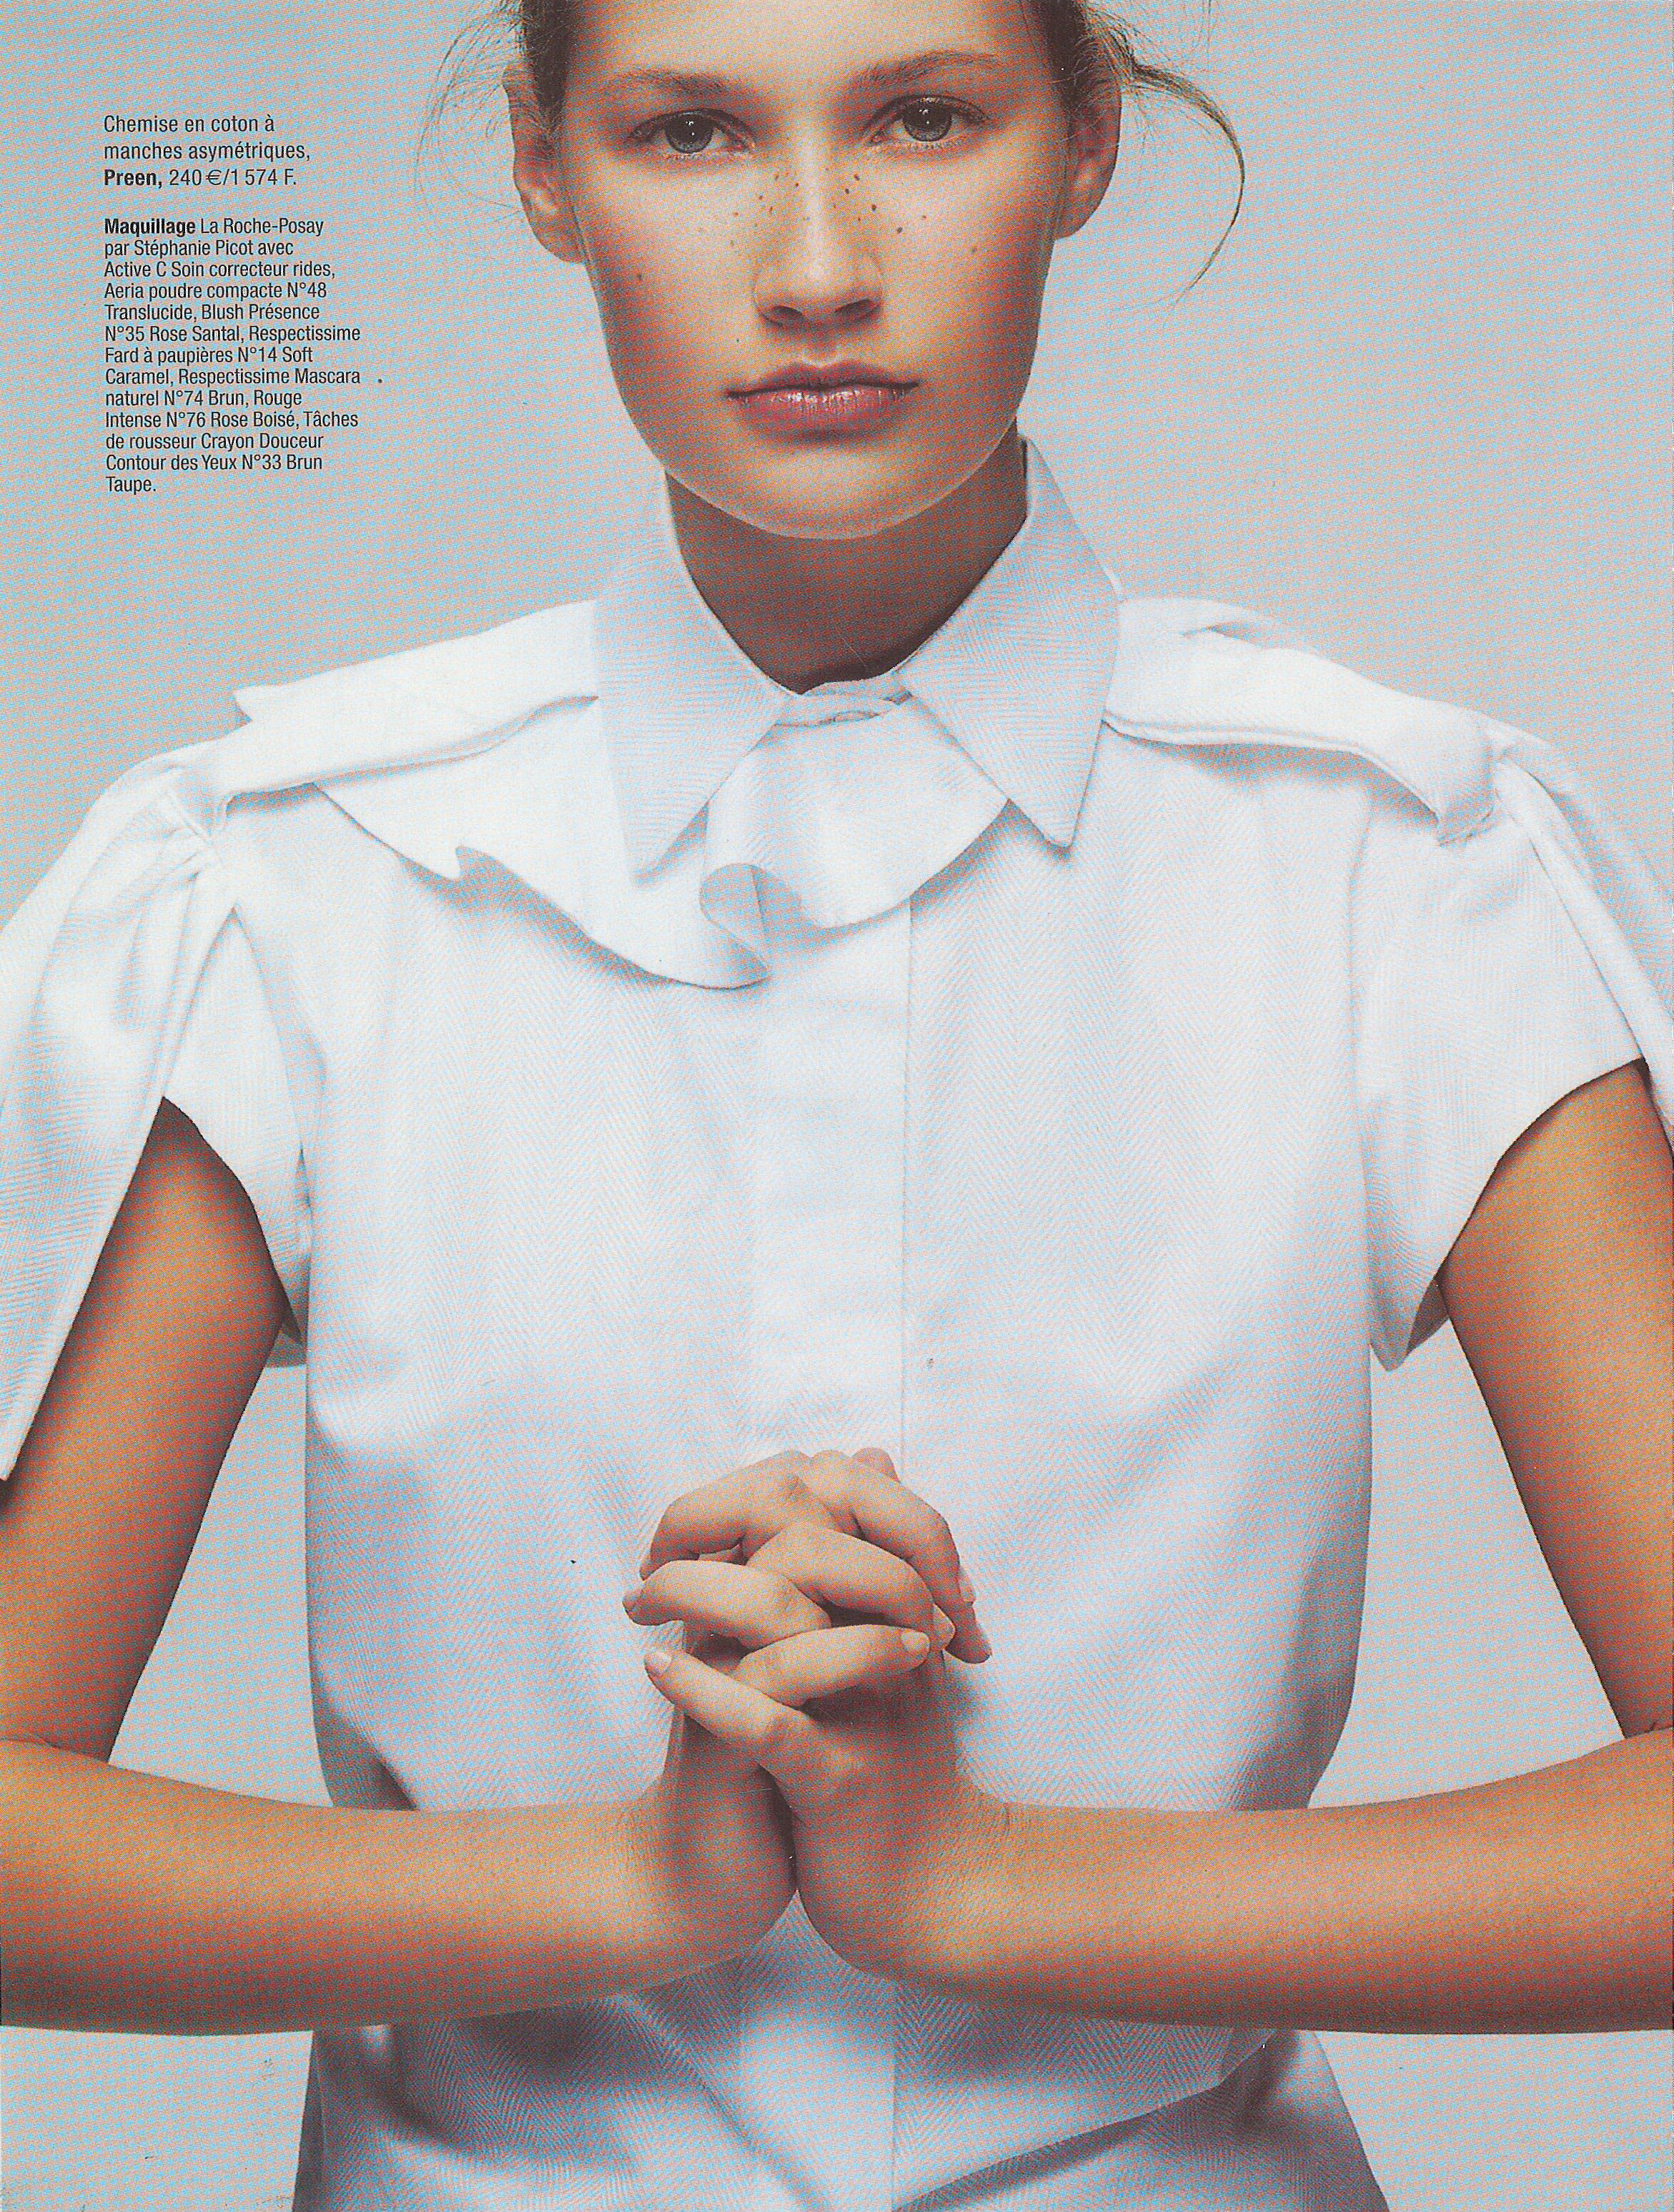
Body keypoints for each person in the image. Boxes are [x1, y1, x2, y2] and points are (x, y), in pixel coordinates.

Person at [2, 0, 1669, 2206]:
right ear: (544, 165)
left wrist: (987, 1880)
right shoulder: (284, 875)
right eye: (693, 130)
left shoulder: (1401, 859)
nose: (815, 265)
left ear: (1084, 139)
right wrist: (628, 1883)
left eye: (924, 117)